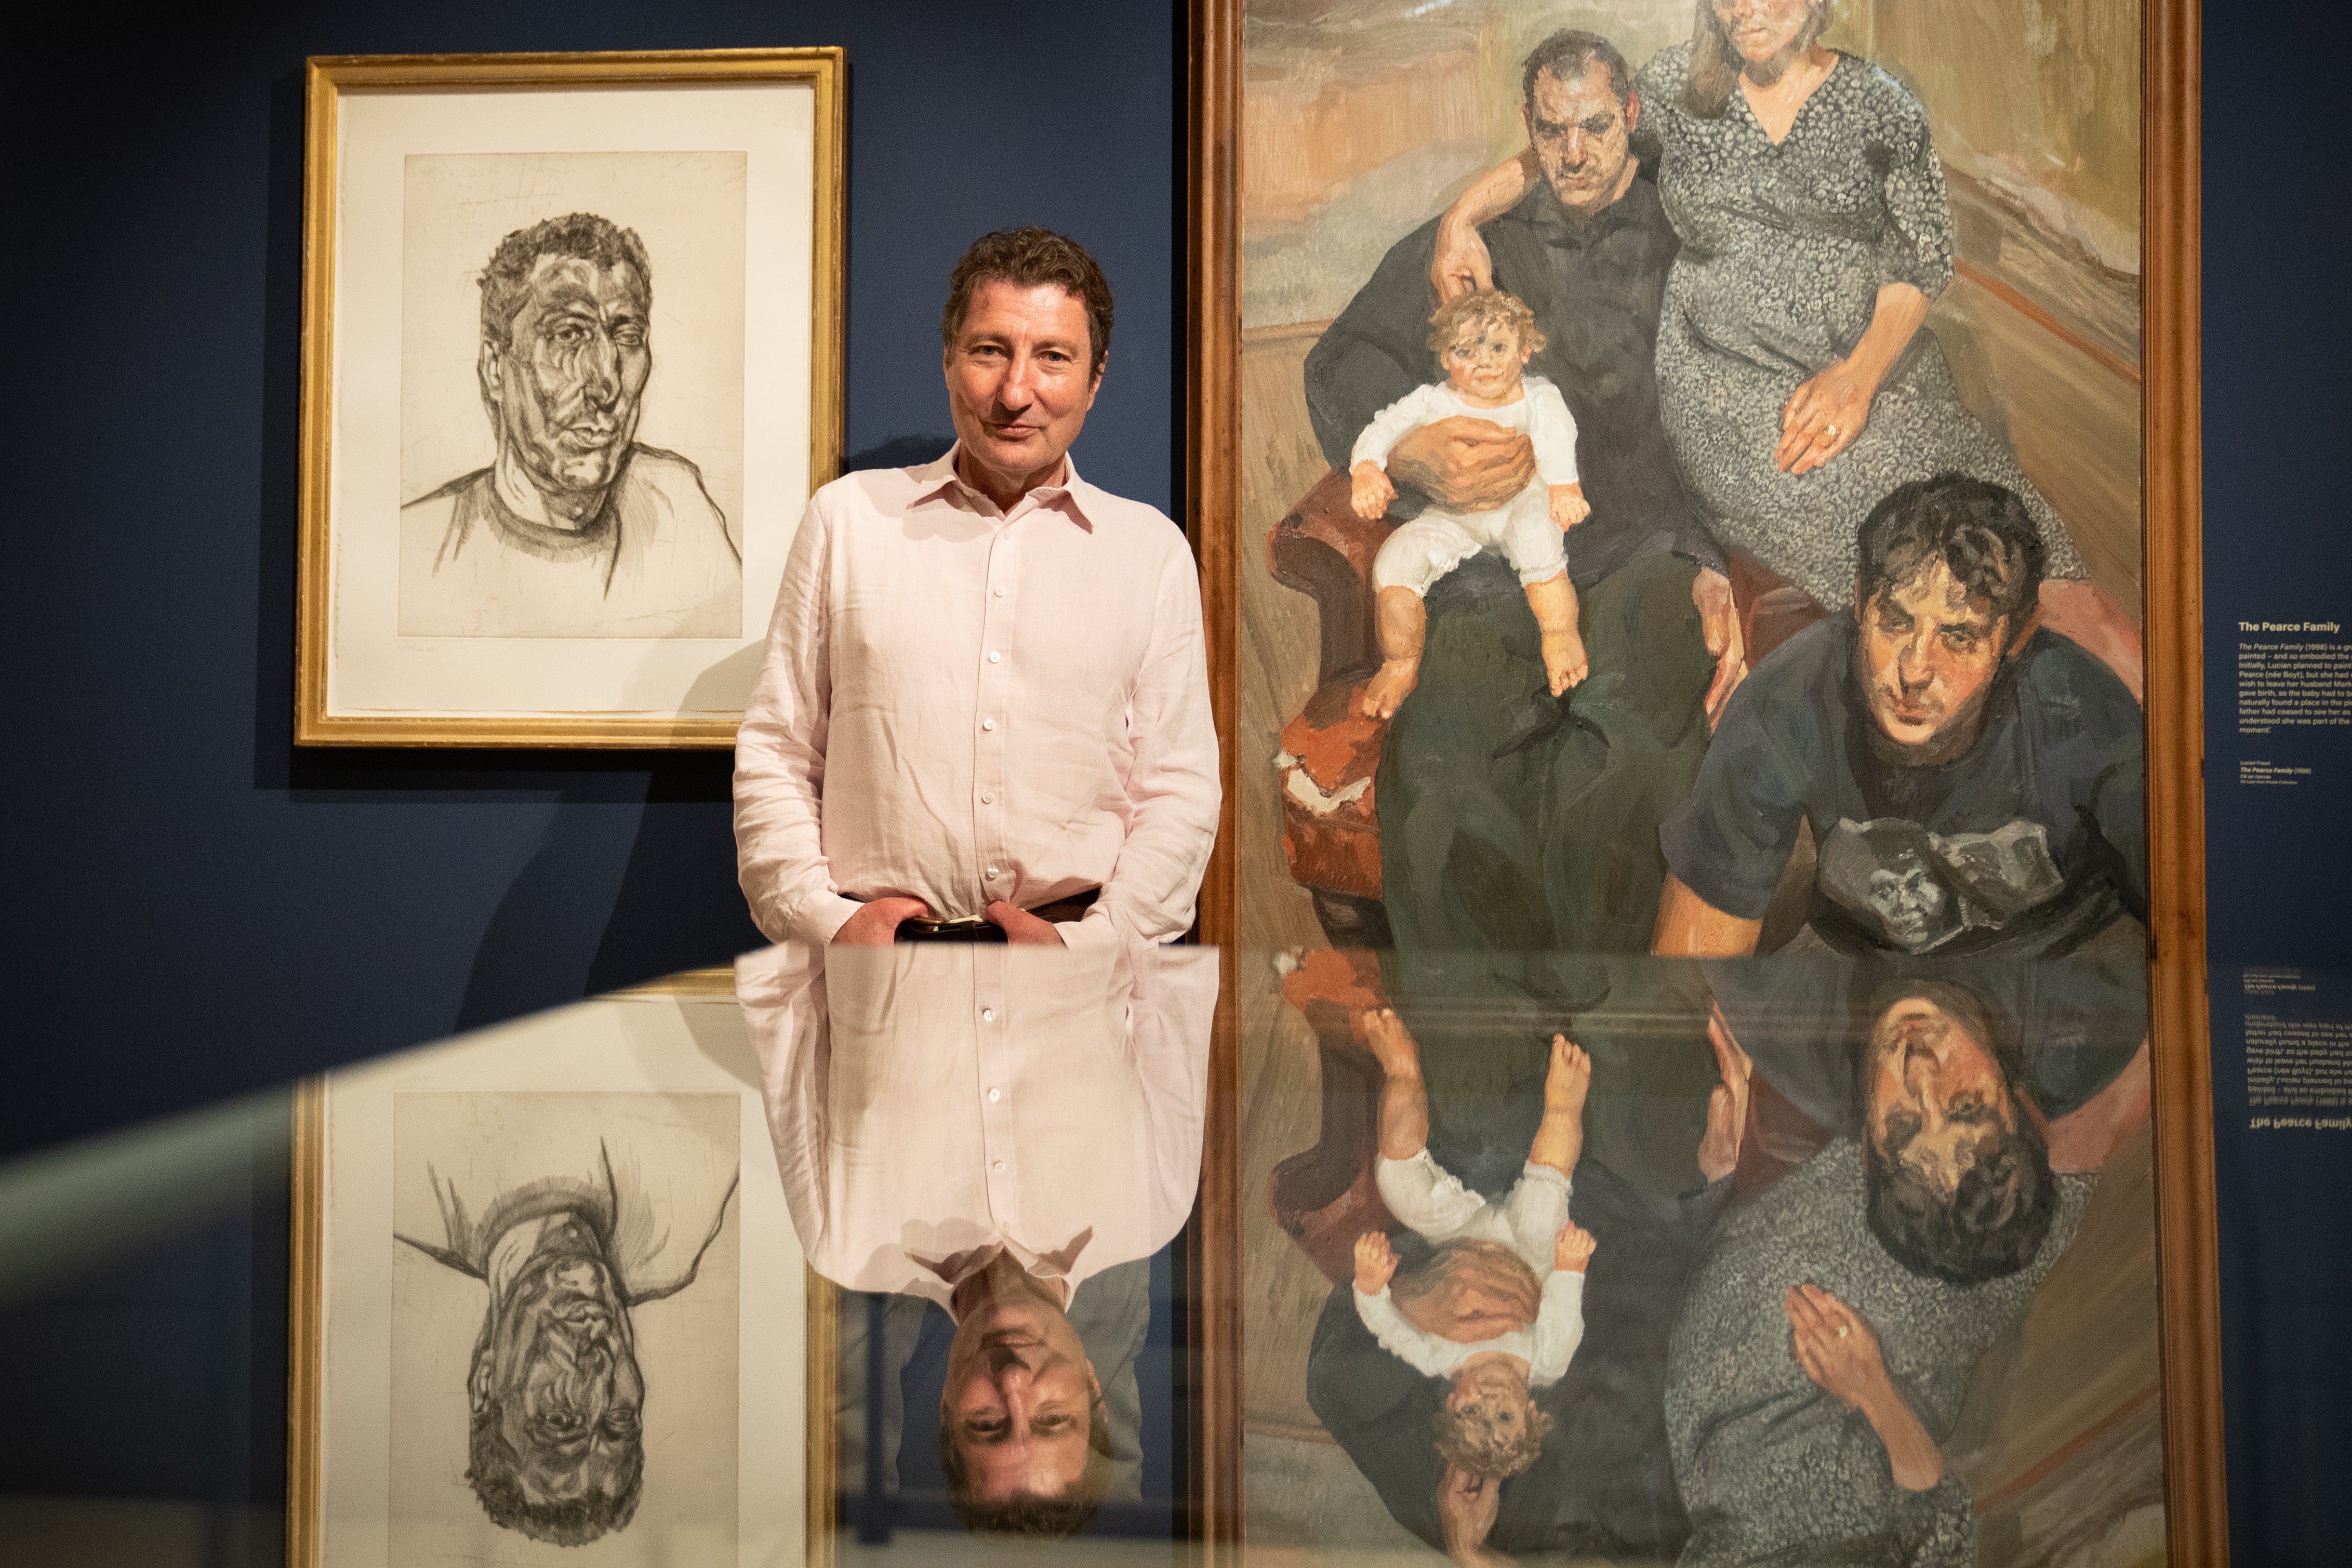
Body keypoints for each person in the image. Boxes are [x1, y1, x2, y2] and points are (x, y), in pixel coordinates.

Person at [1430, 2, 2139, 679]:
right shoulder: (1681, 90)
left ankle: (2142, 755)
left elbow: (1919, 255)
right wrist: (1460, 217)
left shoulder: (1879, 104)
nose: (1745, 9)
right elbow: (1567, 145)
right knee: (1934, 574)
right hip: (1728, 391)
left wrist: (1857, 377)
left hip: (1875, 378)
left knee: (2042, 569)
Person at [1301, 29, 1739, 957]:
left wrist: (1710, 557)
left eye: (1592, 127)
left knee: (1627, 782)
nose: (1571, 155)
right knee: (1443, 779)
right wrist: (1411, 454)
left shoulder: (1688, 229)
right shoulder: (1473, 245)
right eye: (1550, 132)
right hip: (1485, 564)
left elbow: (1738, 411)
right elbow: (1337, 364)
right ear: (1526, 129)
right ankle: (1486, 1075)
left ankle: (1604, 1054)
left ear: (1630, 116)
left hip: (1643, 557)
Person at [734, 226, 1218, 948]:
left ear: (1095, 377)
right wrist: (823, 922)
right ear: (947, 359)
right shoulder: (845, 521)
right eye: (989, 351)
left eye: (1052, 357)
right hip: (874, 973)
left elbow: (1176, 788)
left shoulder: (1150, 553)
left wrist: (1093, 943)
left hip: (1075, 980)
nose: (1015, 391)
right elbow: (779, 750)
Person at [735, 936, 1216, 1536]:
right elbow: (1164, 962)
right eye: (1052, 1419)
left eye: (987, 1424)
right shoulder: (1151, 1206)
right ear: (1093, 1385)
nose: (1014, 1383)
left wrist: (853, 919)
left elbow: (786, 996)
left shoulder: (846, 1240)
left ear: (944, 1408)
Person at [1664, 974, 2117, 1565]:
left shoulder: (1719, 1527)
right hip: (1894, 1288)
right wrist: (1874, 1392)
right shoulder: (1974, 1217)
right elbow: (1947, 1530)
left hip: (1779, 1196)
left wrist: (1719, 1188)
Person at [1655, 474, 2145, 960]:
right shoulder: (1786, 699)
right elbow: (1691, 964)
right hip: (1866, 985)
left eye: (1958, 637)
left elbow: (2200, 924)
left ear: (2016, 637)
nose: (1913, 670)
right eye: (1894, 620)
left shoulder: (2083, 710)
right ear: (1858, 601)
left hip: (2061, 979)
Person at [393, 1114, 739, 1546]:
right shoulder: (678, 1234)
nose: (599, 1372)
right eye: (619, 1420)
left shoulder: (406, 1183)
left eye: (559, 1421)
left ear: (486, 1383)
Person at [400, 211, 743, 638]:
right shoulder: (416, 550)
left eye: (627, 337)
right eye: (567, 335)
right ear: (494, 369)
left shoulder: (677, 505)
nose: (607, 382)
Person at [1348, 1020, 1598, 1478]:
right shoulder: (1547, 1361)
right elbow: (1565, 1317)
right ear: (1531, 1409)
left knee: (1398, 1185)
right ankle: (1563, 1109)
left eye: (1472, 1415)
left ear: (1453, 1400)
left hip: (1458, 1236)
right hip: (1528, 1254)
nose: (1490, 1402)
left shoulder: (1435, 1357)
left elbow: (1386, 1327)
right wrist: (1568, 1269)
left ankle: (1402, 1069)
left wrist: (1369, 1287)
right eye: (1504, 1418)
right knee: (1544, 1207)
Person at [1350, 289, 1591, 716]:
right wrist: (1367, 469)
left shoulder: (1538, 397)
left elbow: (1557, 434)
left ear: (1525, 351)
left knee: (1539, 540)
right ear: (1445, 357)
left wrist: (1563, 486)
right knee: (1395, 561)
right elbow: (1381, 429)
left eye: (1499, 347)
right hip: (1455, 514)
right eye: (1466, 350)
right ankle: (1400, 661)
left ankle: (1559, 634)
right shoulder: (1431, 400)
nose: (1484, 362)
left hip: (1522, 503)